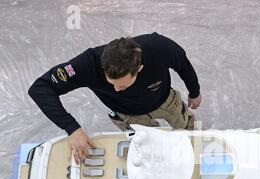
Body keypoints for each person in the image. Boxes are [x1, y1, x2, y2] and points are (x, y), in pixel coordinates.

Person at [28, 32, 202, 164]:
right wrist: (72, 128)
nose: (117, 90)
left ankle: (195, 151)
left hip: (165, 101)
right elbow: (40, 88)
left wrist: (194, 92)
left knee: (188, 130)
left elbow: (183, 65)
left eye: (123, 85)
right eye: (111, 83)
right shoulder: (87, 65)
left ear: (139, 68)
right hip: (129, 114)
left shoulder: (160, 48)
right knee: (149, 151)